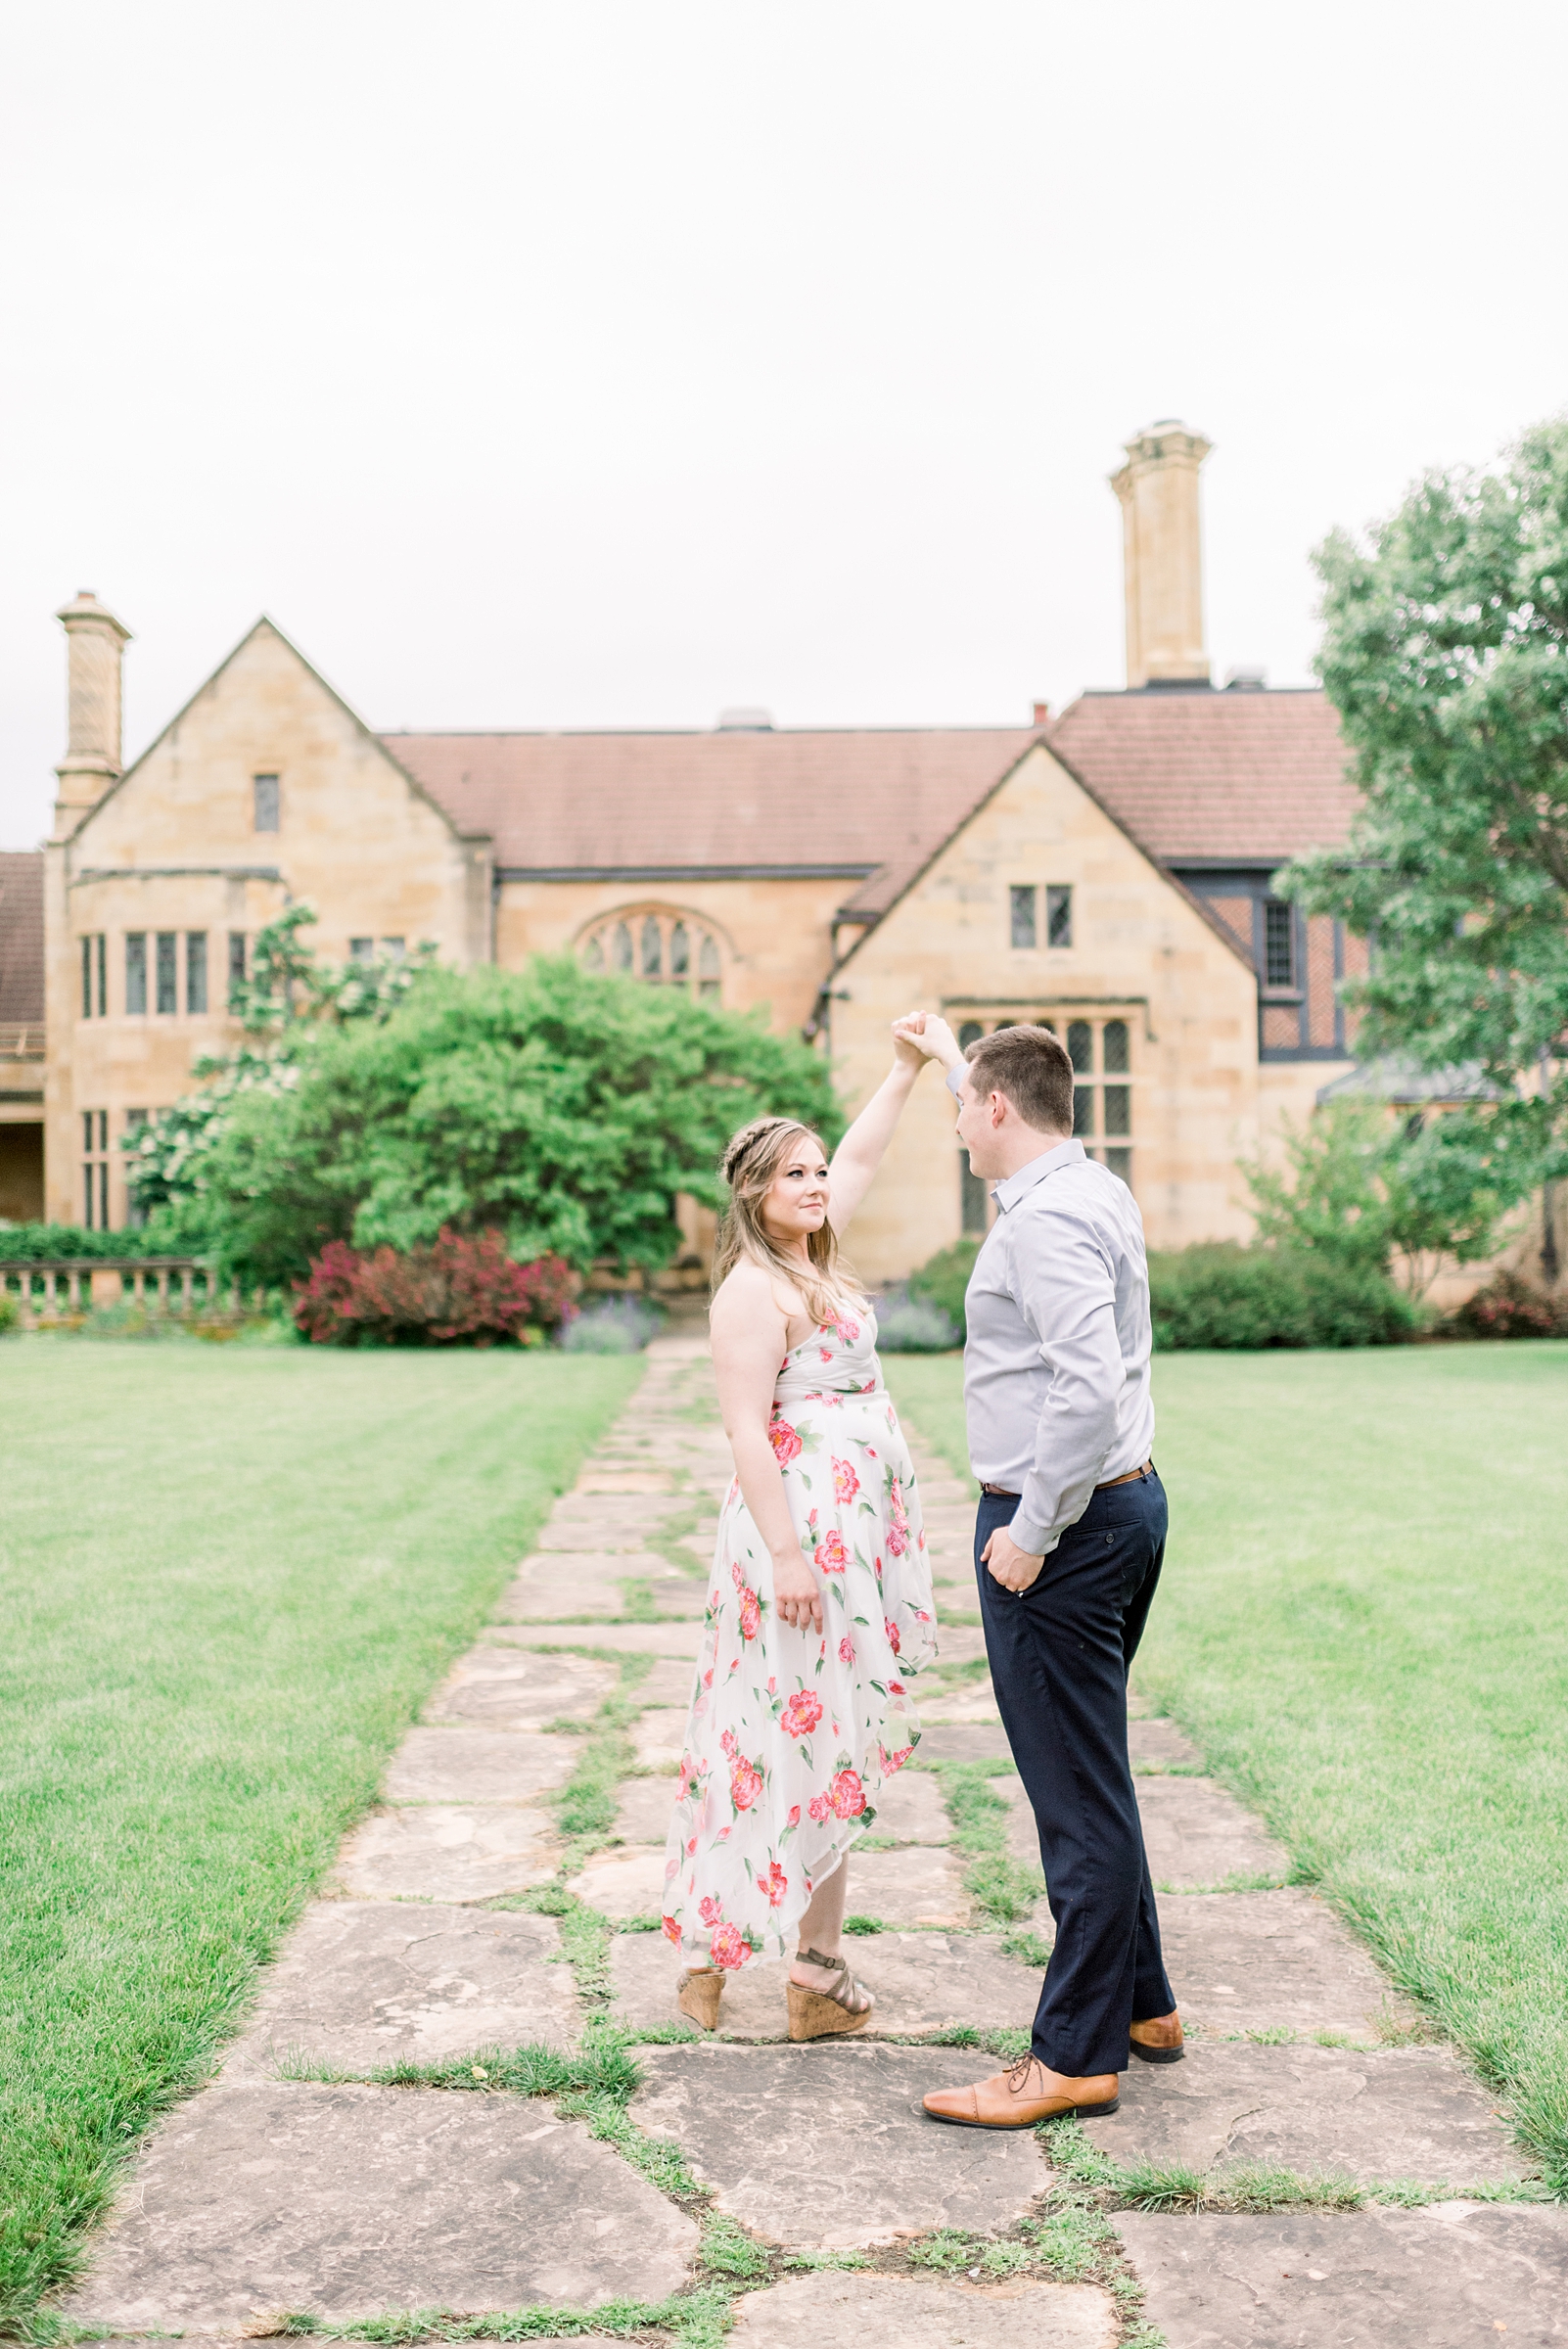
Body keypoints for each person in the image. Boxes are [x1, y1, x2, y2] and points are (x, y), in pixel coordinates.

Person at [900, 1017, 1181, 2128]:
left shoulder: (1044, 1222)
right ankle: (1145, 2004)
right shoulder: (1086, 1188)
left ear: (1000, 1112)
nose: (957, 1121)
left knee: (1073, 1798)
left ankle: (1071, 2056)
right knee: (1093, 1768)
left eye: (964, 1102)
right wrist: (949, 1051)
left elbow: (1087, 1387)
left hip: (1065, 1532)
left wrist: (1030, 1529)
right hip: (1127, 1508)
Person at [661, 1019, 941, 2040]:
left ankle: (807, 1970)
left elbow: (864, 1151)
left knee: (825, 1738)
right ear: (755, 1196)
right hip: (798, 1545)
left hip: (846, 1544)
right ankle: (751, 1959)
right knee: (786, 1736)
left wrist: (903, 1073)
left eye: (819, 1172)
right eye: (795, 1177)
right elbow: (744, 1427)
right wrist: (786, 1553)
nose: (819, 1186)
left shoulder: (813, 1261)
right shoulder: (751, 1291)